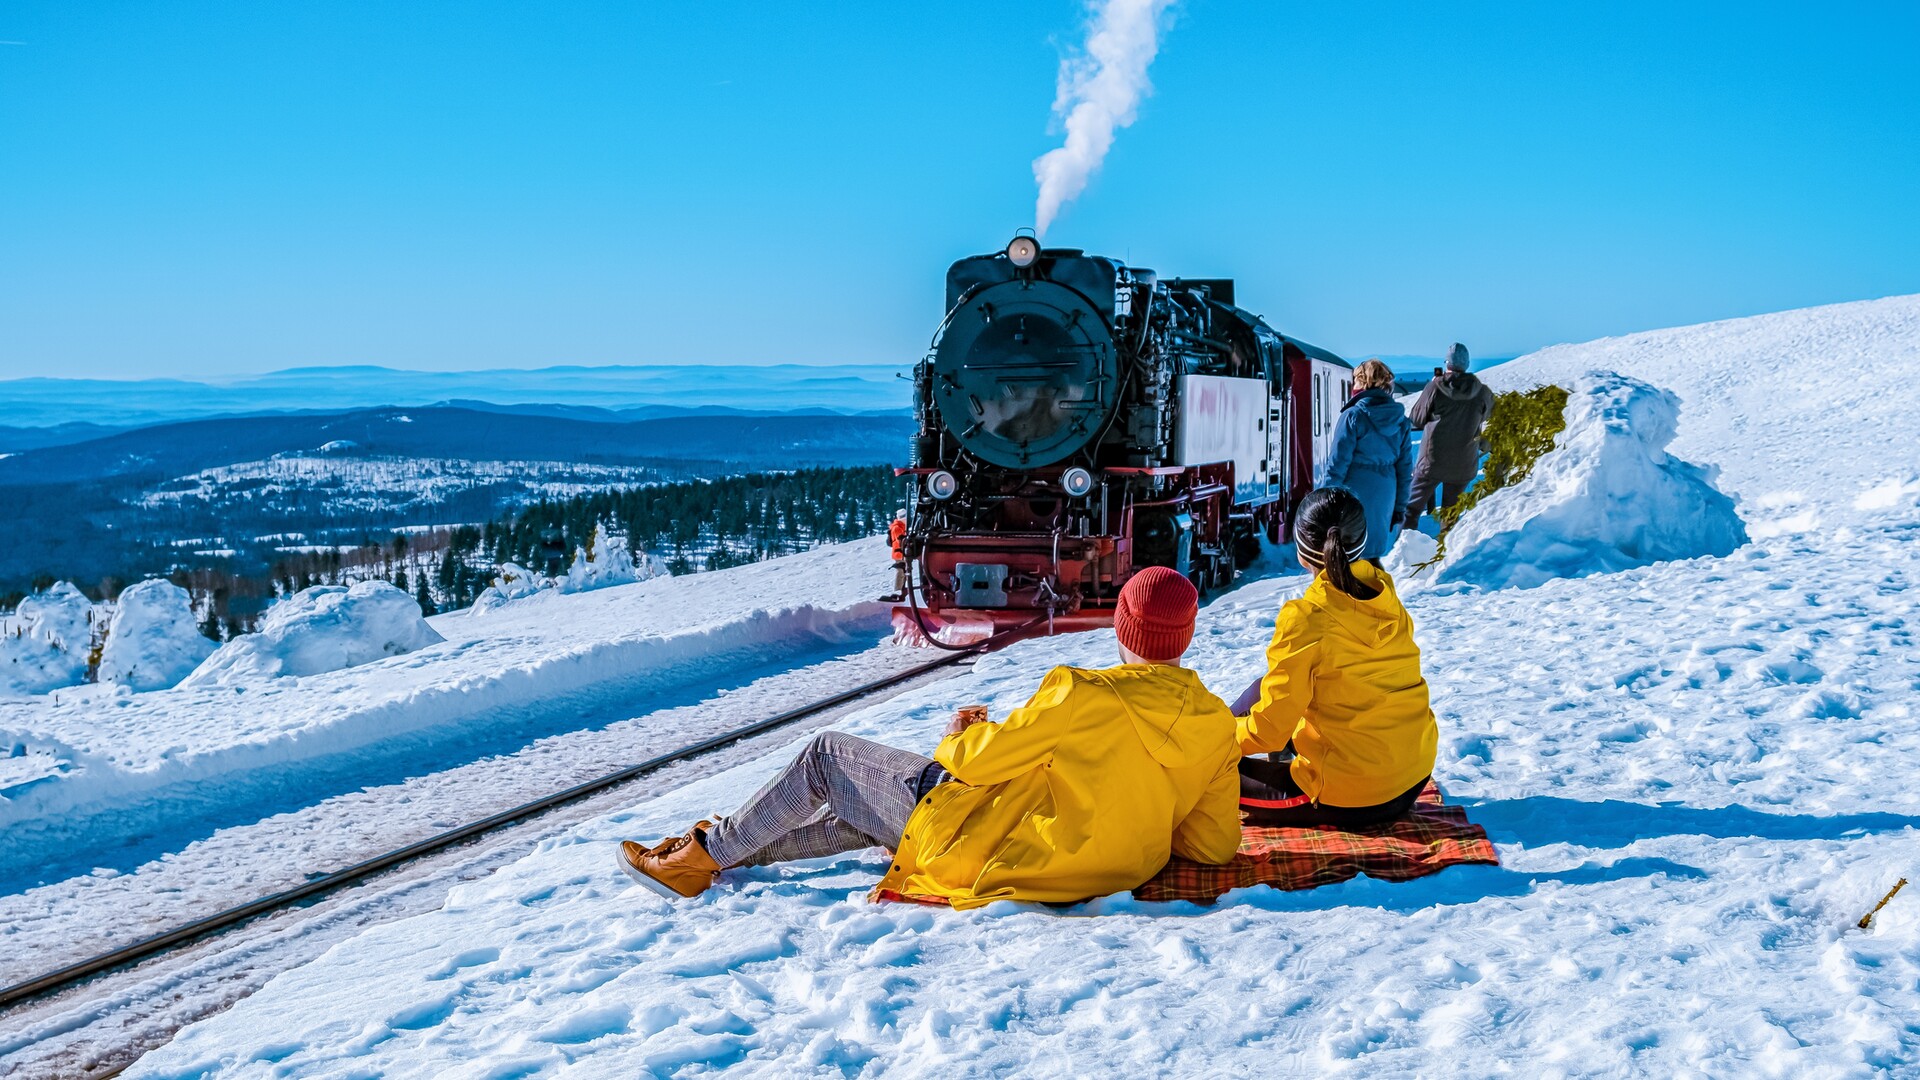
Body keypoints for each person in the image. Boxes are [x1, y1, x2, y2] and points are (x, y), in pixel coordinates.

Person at [616, 566, 1243, 907]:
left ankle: (703, 855)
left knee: (828, 756)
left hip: (993, 849)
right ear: (1185, 635)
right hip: (1101, 870)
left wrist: (965, 730)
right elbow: (1213, 846)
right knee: (867, 812)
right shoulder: (1216, 724)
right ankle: (726, 851)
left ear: (1122, 627)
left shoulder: (1083, 693)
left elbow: (977, 764)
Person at [1231, 486, 1438, 826]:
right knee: (1263, 687)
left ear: (1301, 550)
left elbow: (1267, 732)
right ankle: (1214, 730)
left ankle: (1206, 736)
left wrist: (1221, 738)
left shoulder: (1306, 617)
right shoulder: (1383, 595)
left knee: (1211, 770)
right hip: (1413, 771)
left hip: (1352, 797)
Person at [1320, 359, 1412, 561]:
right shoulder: (1401, 422)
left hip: (1353, 493)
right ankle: (1375, 591)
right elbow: (1405, 471)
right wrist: (1399, 508)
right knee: (1372, 556)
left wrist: (1323, 501)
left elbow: (1337, 464)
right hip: (1385, 494)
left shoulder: (1353, 416)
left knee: (1349, 555)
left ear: (1362, 383)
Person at [1403, 342, 1495, 531]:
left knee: (1411, 509)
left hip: (1432, 462)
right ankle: (1446, 551)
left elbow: (1417, 419)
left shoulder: (1435, 387)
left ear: (1447, 364)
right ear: (1467, 364)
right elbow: (1489, 415)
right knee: (1450, 515)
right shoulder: (1482, 392)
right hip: (1463, 464)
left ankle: (1405, 548)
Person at [883, 508, 909, 602]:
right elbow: (901, 540)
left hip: (902, 553)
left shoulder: (901, 526)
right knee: (901, 571)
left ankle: (902, 589)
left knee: (905, 571)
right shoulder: (897, 527)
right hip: (899, 553)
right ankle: (898, 590)